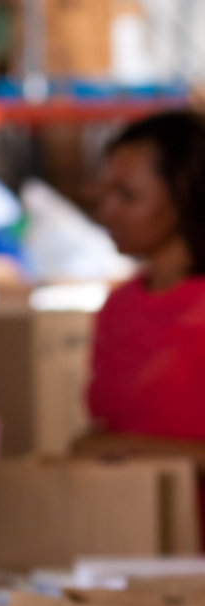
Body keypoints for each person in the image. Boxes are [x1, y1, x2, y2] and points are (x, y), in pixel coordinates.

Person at [79, 111, 205, 463]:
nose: (108, 210)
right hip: (127, 514)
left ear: (183, 195)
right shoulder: (119, 307)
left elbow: (128, 442)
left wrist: (135, 452)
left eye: (127, 195)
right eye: (104, 192)